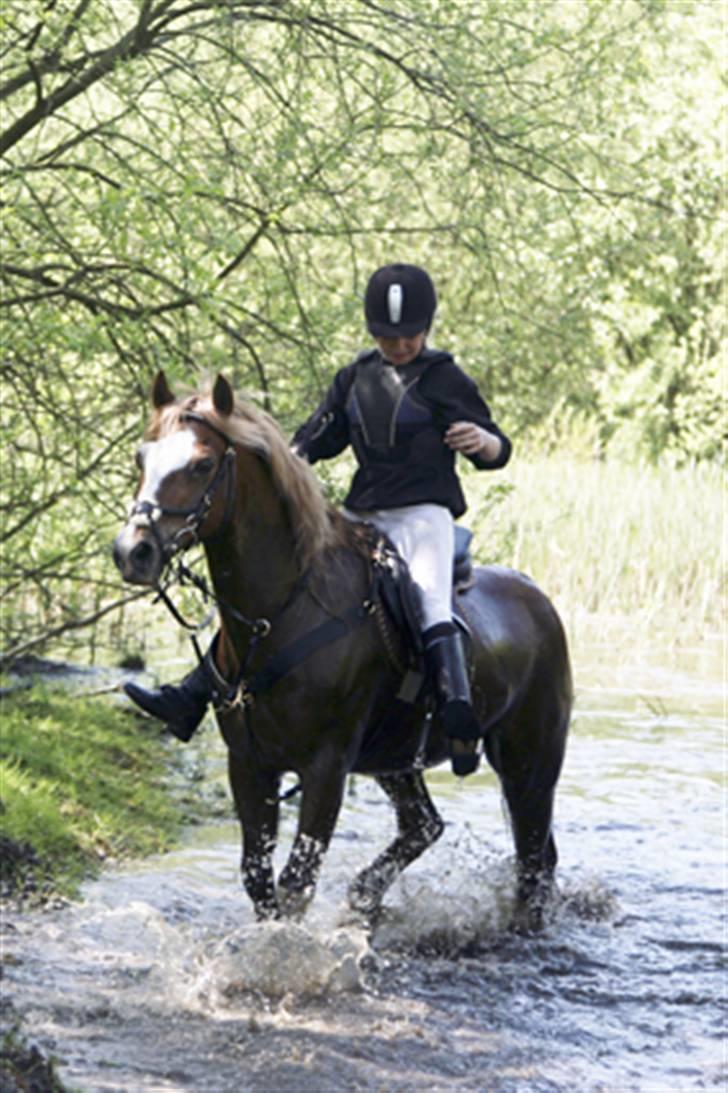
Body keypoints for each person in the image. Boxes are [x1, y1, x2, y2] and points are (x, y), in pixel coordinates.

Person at [124, 264, 511, 776]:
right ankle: (191, 696)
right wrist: (281, 461)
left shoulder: (446, 378)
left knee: (429, 598)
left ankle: (458, 720)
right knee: (288, 592)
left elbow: (496, 446)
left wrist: (483, 443)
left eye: (408, 336)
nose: (397, 346)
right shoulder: (354, 379)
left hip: (422, 517)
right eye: (386, 337)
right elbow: (314, 440)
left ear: (427, 327)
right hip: (359, 516)